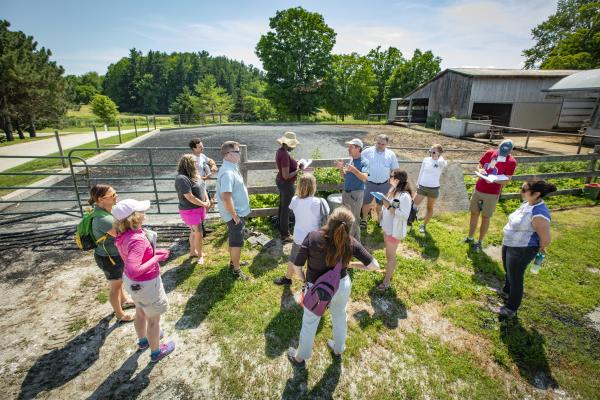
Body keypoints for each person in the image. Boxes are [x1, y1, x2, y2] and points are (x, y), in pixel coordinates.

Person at [287, 207, 381, 367]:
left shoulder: (313, 237)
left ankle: (300, 357)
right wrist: (353, 265)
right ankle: (338, 349)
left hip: (316, 288)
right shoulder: (351, 242)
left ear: (330, 220)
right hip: (341, 285)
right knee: (339, 316)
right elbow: (374, 266)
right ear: (349, 226)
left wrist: (304, 280)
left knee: (310, 322)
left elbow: (297, 266)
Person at [113, 199, 175, 363]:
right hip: (146, 283)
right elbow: (135, 268)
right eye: (141, 212)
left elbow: (131, 263)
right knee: (153, 320)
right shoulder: (137, 240)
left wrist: (151, 254)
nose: (144, 214)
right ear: (134, 218)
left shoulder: (123, 236)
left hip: (131, 282)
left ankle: (143, 341)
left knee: (140, 311)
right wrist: (155, 258)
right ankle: (156, 352)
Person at [495, 180, 555, 318]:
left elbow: (545, 239)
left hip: (522, 249)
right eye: (521, 188)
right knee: (508, 270)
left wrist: (541, 249)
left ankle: (511, 308)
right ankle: (507, 292)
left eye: (524, 190)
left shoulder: (539, 213)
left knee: (516, 277)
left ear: (536, 194)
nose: (520, 192)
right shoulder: (528, 203)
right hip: (511, 244)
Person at [89, 184, 134, 323]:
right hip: (109, 258)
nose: (116, 196)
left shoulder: (106, 212)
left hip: (113, 255)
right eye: (113, 195)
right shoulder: (103, 219)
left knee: (119, 281)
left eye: (116, 193)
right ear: (101, 199)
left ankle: (124, 300)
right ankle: (120, 315)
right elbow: (120, 234)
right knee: (115, 286)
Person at [273, 174, 329, 286]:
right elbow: (327, 215)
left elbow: (292, 208)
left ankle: (288, 279)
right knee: (314, 262)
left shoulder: (294, 200)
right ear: (313, 186)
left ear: (299, 186)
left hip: (299, 238)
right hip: (315, 238)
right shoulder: (319, 202)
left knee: (293, 259)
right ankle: (313, 282)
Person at [465, 140, 517, 252]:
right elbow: (479, 164)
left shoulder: (511, 161)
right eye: (500, 151)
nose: (501, 155)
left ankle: (479, 242)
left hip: (492, 194)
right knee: (474, 214)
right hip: (478, 189)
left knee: (485, 217)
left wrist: (494, 181)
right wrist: (480, 170)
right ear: (498, 146)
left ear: (510, 151)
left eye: (505, 153)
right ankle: (470, 237)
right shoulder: (489, 153)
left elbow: (507, 180)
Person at [216, 141, 251, 280]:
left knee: (234, 239)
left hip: (237, 213)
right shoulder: (228, 172)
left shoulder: (231, 167)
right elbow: (226, 196)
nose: (239, 154)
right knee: (237, 243)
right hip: (235, 215)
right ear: (229, 154)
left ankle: (233, 262)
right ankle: (236, 270)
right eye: (237, 151)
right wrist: (234, 215)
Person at [377, 169, 413, 291]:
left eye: (391, 176)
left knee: (390, 256)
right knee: (388, 255)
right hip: (387, 228)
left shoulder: (405, 196)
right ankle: (388, 272)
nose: (389, 178)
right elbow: (388, 205)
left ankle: (386, 281)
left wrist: (389, 207)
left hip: (394, 231)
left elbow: (404, 215)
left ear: (397, 180)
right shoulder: (393, 190)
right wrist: (382, 210)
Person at [175, 154, 211, 265]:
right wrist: (204, 204)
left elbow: (203, 186)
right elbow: (189, 197)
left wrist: (207, 200)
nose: (197, 164)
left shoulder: (195, 174)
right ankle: (200, 256)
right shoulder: (182, 178)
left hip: (199, 208)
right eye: (195, 162)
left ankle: (193, 252)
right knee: (198, 233)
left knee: (194, 231)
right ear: (188, 164)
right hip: (190, 210)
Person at [360, 134, 399, 229]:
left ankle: (379, 220)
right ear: (375, 141)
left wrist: (393, 182)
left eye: (383, 144)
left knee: (381, 204)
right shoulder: (366, 152)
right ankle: (364, 220)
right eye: (378, 143)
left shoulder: (391, 154)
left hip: (384, 184)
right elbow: (358, 164)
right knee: (366, 202)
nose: (380, 145)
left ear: (386, 144)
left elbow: (395, 169)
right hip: (368, 183)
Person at [334, 138, 369, 241]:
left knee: (354, 220)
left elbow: (364, 178)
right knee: (345, 217)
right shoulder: (351, 160)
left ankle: (355, 243)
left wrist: (354, 170)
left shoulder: (364, 162)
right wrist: (341, 168)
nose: (348, 149)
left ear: (359, 149)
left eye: (351, 147)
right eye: (348, 146)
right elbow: (344, 177)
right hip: (346, 193)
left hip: (356, 194)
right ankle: (347, 240)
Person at [275, 131, 304, 243]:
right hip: (286, 184)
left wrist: (294, 164)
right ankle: (285, 234)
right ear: (289, 144)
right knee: (286, 209)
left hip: (280, 182)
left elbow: (284, 169)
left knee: (282, 207)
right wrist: (298, 169)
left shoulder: (280, 151)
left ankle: (281, 229)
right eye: (293, 145)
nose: (294, 147)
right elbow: (286, 176)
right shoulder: (285, 155)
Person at [414, 144, 448, 233]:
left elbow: (443, 164)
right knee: (413, 205)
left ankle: (424, 225)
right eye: (430, 151)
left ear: (439, 153)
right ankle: (411, 219)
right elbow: (421, 171)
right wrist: (417, 184)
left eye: (433, 152)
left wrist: (438, 156)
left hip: (433, 189)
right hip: (422, 187)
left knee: (429, 208)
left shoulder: (441, 162)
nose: (431, 153)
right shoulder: (426, 160)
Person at [189, 138, 218, 235]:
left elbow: (210, 160)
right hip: (196, 187)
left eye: (202, 146)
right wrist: (204, 178)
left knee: (210, 203)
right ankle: (198, 229)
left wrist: (213, 165)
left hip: (203, 185)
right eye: (200, 147)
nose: (202, 148)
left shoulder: (202, 156)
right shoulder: (191, 159)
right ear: (194, 148)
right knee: (200, 206)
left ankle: (200, 225)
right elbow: (190, 175)